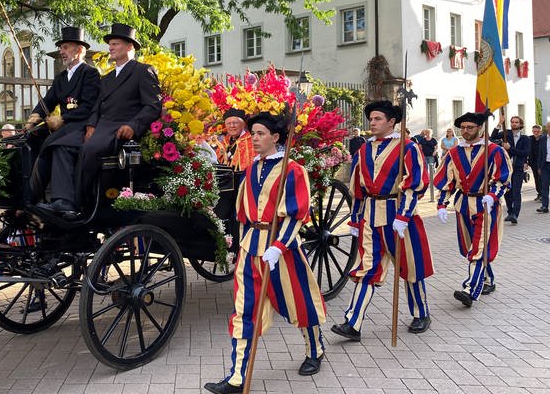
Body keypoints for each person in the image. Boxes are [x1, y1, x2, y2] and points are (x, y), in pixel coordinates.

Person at [204, 113, 326, 394]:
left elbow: (297, 214)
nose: (255, 138)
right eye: (254, 133)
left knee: (299, 302)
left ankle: (315, 349)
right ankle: (237, 377)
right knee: (243, 311)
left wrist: (279, 246)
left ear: (276, 138)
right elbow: (243, 213)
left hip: (282, 249)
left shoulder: (292, 170)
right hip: (252, 248)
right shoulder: (250, 170)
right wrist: (239, 245)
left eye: (260, 134)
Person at [331, 101, 434, 342]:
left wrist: (403, 215)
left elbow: (416, 183)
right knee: (367, 268)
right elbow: (357, 186)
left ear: (391, 122)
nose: (373, 123)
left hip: (398, 215)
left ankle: (421, 313)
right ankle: (353, 323)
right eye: (371, 118)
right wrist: (356, 219)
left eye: (378, 119)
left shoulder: (407, 148)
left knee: (410, 266)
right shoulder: (364, 150)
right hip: (370, 214)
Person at [58, 23, 161, 215]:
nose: (111, 48)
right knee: (66, 144)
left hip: (121, 128)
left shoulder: (143, 71)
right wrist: (90, 125)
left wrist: (133, 126)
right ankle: (61, 198)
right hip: (102, 127)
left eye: (115, 44)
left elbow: (153, 105)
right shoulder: (107, 78)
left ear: (130, 47)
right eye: (110, 44)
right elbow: (97, 106)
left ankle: (80, 205)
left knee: (90, 149)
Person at [434, 112, 511, 306]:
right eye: (463, 128)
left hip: (486, 205)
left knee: (479, 246)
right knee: (470, 246)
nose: (466, 131)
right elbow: (447, 181)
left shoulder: (494, 151)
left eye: (470, 127)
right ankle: (488, 279)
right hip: (463, 205)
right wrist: (442, 204)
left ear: (480, 128)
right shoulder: (453, 153)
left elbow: (503, 178)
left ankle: (470, 289)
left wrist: (492, 195)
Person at [24, 27, 101, 208]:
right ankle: (31, 195)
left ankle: (63, 200)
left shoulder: (89, 73)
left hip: (81, 125)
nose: (61, 52)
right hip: (65, 127)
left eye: (65, 47)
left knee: (59, 145)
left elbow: (90, 106)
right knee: (31, 139)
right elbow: (47, 102)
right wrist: (33, 119)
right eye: (61, 48)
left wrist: (63, 119)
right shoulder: (61, 78)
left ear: (79, 50)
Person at [490, 115, 530, 224]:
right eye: (512, 122)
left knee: (516, 191)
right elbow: (492, 138)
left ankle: (515, 215)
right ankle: (510, 212)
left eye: (516, 122)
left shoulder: (525, 138)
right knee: (507, 191)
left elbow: (525, 153)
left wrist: (510, 148)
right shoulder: (506, 134)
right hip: (506, 168)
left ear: (520, 124)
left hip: (518, 168)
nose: (514, 124)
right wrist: (499, 123)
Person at [537, 122, 550, 214]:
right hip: (545, 165)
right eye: (549, 127)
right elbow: (540, 153)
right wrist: (539, 167)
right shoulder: (543, 138)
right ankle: (544, 206)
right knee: (544, 186)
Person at [529, 124, 543, 202]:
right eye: (534, 131)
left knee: (541, 179)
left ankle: (542, 194)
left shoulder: (544, 139)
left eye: (537, 131)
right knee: (536, 178)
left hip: (542, 163)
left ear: (540, 131)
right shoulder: (530, 139)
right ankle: (539, 193)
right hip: (533, 162)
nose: (536, 133)